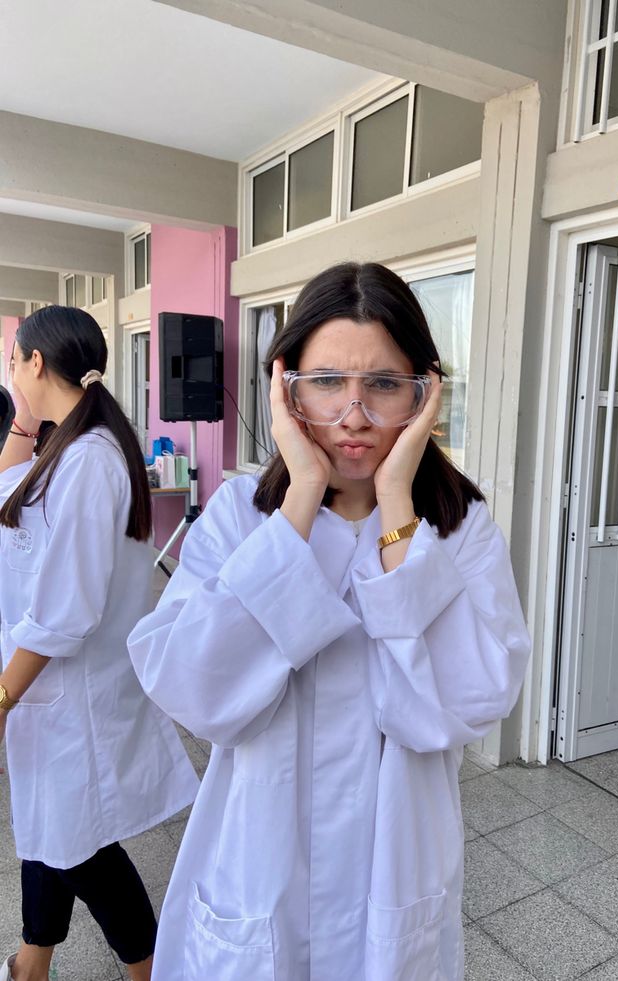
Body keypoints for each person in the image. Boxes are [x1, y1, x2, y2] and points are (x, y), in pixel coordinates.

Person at [128, 262, 531, 981]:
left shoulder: (459, 527)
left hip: (393, 868)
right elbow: (190, 687)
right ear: (286, 390)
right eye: (326, 382)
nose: (354, 414)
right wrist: (300, 504)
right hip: (260, 864)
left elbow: (473, 696)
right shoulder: (241, 517)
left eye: (383, 384)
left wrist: (399, 509)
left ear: (423, 392)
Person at [0, 306, 199, 981]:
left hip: (70, 696)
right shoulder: (72, 441)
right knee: (52, 836)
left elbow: (65, 609)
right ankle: (33, 962)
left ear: (34, 361)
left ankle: (148, 970)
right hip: (57, 696)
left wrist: (3, 695)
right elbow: (7, 502)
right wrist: (23, 424)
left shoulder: (89, 458)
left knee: (82, 850)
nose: (10, 368)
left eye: (12, 357)